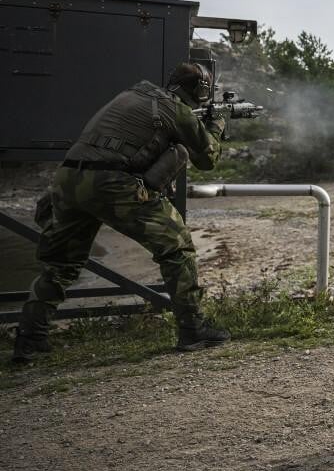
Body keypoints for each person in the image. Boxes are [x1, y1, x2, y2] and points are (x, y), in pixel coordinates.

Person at [11, 58, 231, 363]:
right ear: (202, 91)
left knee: (61, 265)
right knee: (176, 244)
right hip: (110, 181)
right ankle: (193, 328)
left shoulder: (132, 96)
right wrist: (217, 124)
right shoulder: (174, 109)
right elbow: (207, 159)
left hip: (69, 179)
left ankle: (30, 340)